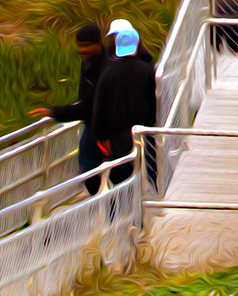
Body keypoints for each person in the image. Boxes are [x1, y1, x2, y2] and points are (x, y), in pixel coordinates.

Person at [31, 24, 109, 195]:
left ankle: (109, 204)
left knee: (99, 168)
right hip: (91, 125)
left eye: (88, 45)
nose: (83, 50)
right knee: (88, 169)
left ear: (99, 43)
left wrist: (55, 112)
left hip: (105, 126)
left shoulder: (105, 69)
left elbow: (88, 105)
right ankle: (100, 200)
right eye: (80, 45)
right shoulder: (87, 62)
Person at [91, 26, 157, 187]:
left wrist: (101, 135)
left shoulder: (107, 73)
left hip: (117, 135)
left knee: (120, 175)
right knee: (148, 169)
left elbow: (99, 107)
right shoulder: (146, 70)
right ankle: (152, 194)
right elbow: (152, 101)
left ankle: (122, 208)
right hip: (143, 131)